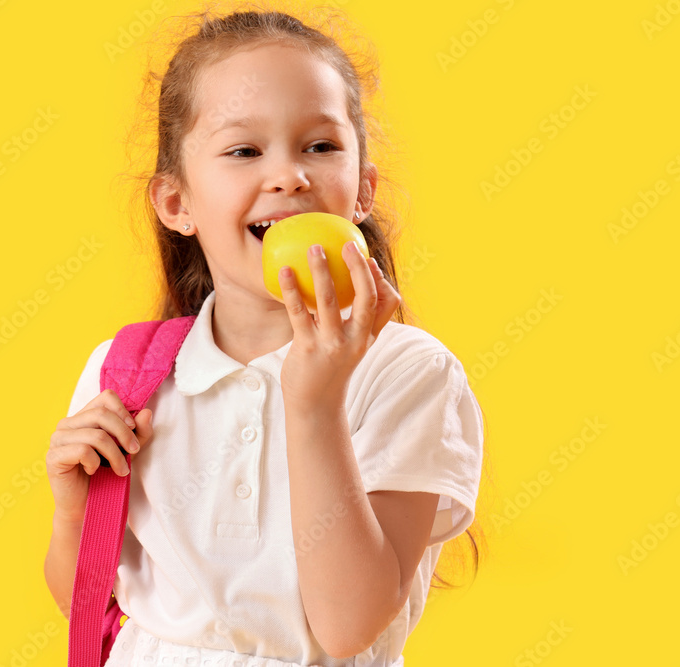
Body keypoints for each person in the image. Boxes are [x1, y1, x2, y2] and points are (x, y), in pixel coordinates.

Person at [45, 5, 486, 665]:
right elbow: (84, 605)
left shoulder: (407, 373)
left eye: (321, 146)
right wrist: (77, 511)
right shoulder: (126, 374)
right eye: (244, 150)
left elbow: (347, 626)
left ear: (362, 191)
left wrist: (313, 404)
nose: (288, 176)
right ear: (177, 204)